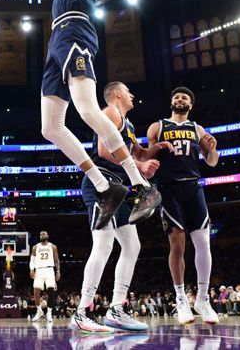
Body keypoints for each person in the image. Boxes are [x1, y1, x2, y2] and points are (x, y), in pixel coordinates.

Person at [29, 0, 159, 232]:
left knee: (87, 110)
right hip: (57, 40)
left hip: (76, 33)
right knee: (50, 128)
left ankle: (142, 186)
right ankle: (104, 186)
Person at [70, 81, 161, 333]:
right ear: (117, 94)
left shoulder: (127, 123)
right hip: (101, 182)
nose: (133, 95)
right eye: (129, 91)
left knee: (133, 245)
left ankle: (117, 309)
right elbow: (103, 149)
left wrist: (151, 153)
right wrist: (140, 167)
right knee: (104, 243)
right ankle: (82, 311)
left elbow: (133, 154)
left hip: (119, 187)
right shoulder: (110, 112)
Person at [145, 88, 220, 324]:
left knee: (203, 243)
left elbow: (212, 162)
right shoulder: (157, 127)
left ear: (190, 105)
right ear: (171, 101)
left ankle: (203, 298)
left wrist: (213, 148)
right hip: (168, 188)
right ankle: (181, 299)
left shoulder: (198, 129)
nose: (179, 99)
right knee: (177, 244)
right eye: (176, 96)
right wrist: (155, 148)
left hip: (193, 187)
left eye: (185, 97)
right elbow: (146, 159)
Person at [29, 230, 60, 322]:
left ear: (48, 235)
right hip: (39, 270)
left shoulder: (53, 246)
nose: (42, 235)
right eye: (40, 234)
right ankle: (39, 311)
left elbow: (56, 259)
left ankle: (49, 312)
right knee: (36, 290)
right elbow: (32, 260)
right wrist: (31, 269)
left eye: (44, 233)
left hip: (49, 270)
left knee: (51, 291)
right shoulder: (35, 247)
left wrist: (58, 271)